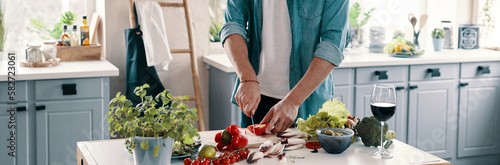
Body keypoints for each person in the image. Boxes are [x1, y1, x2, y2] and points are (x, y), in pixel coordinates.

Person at [219, 0, 350, 134]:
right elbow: (232, 25)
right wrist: (247, 78)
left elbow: (333, 43)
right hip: (255, 97)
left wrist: (293, 101)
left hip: (307, 101)